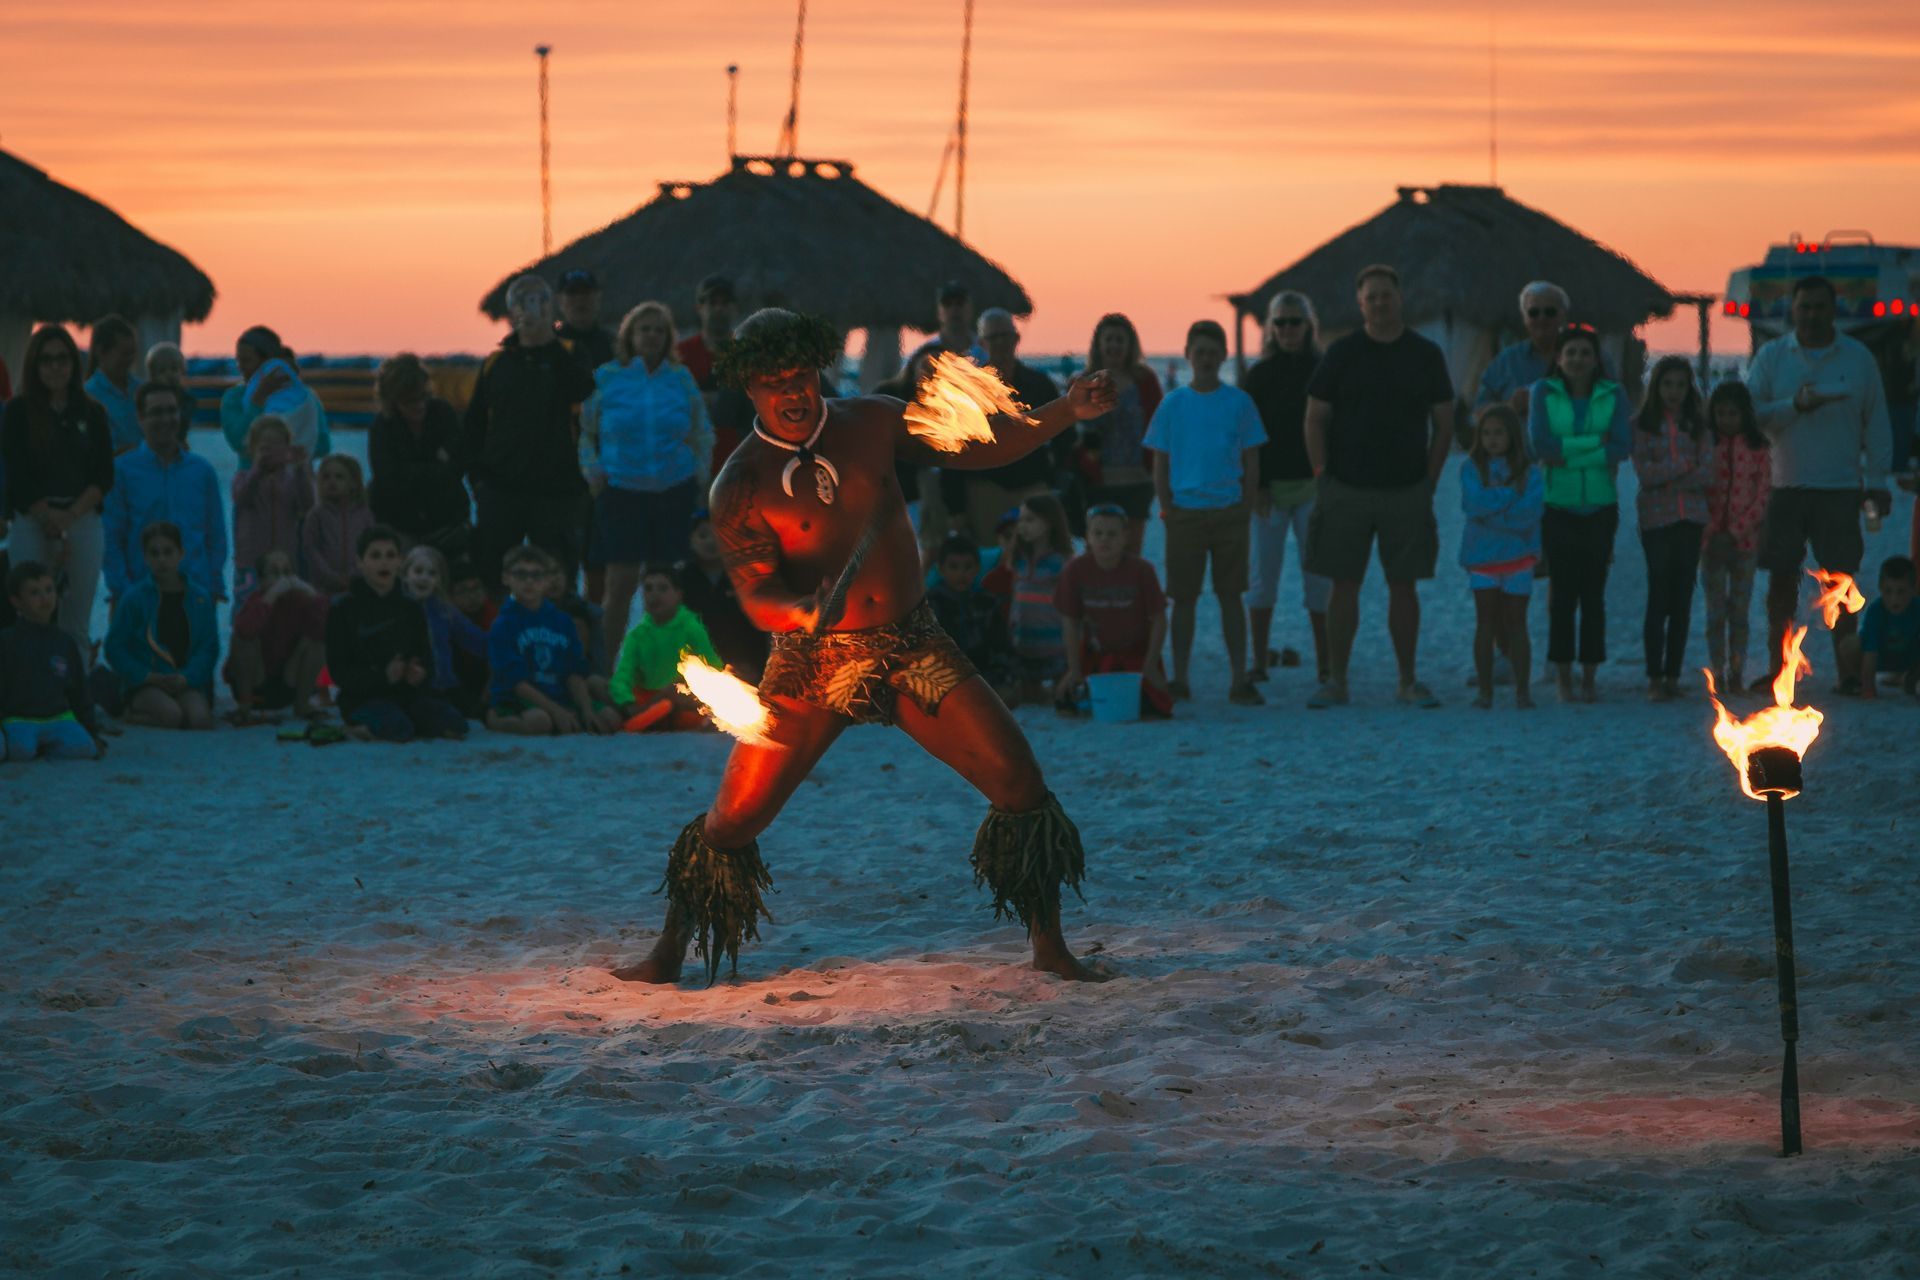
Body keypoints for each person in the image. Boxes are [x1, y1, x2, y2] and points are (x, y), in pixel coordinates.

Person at [611, 308, 1117, 987]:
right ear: (749, 388)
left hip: (913, 647)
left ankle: (1050, 947)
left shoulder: (875, 421)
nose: (791, 393)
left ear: (819, 370)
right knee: (733, 820)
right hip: (810, 663)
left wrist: (1062, 411)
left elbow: (978, 445)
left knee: (1019, 780)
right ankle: (668, 950)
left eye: (800, 377)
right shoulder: (739, 482)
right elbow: (755, 592)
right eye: (771, 382)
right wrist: (798, 609)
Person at [1303, 264, 1456, 709]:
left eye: (1386, 295)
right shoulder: (1343, 353)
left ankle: (1408, 680)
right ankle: (1337, 682)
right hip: (1345, 487)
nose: (1379, 303)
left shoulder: (1425, 355)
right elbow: (1314, 418)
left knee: (1403, 586)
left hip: (1407, 488)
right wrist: (1320, 475)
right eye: (1371, 297)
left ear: (1399, 296)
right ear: (1360, 302)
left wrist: (1430, 478)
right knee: (1343, 585)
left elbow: (1444, 423)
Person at [1747, 275, 1894, 690]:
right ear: (1792, 310)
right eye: (1804, 307)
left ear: (1835, 310)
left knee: (1842, 583)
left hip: (1840, 487)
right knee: (1780, 583)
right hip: (1783, 486)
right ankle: (1779, 670)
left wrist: (1879, 481)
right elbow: (1751, 413)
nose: (1812, 315)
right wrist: (1794, 405)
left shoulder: (1858, 358)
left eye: (1819, 307)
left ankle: (1848, 670)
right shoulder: (1773, 357)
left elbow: (1877, 424)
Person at [580, 301, 712, 655]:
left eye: (658, 329)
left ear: (668, 337)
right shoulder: (609, 377)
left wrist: (700, 479)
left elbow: (701, 432)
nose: (651, 335)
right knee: (620, 586)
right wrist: (593, 472)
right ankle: (607, 672)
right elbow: (585, 431)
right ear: (630, 335)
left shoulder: (680, 379)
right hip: (623, 492)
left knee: (667, 589)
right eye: (644, 329)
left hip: (674, 491)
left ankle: (666, 674)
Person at [1147, 319, 1266, 705]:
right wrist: (1167, 506)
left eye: (1214, 353)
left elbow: (1252, 460)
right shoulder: (1173, 404)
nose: (1207, 359)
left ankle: (1238, 679)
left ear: (1223, 356)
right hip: (1185, 514)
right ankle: (1180, 677)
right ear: (1188, 355)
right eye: (1200, 352)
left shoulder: (1239, 403)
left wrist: (1245, 505)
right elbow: (1160, 462)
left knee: (1232, 597)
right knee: (1184, 599)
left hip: (1229, 511)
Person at [464, 275, 597, 594]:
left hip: (556, 491)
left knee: (558, 578)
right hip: (501, 488)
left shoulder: (570, 354)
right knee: (493, 576)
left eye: (538, 301)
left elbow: (583, 391)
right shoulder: (497, 364)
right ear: (512, 312)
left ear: (551, 308)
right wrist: (478, 480)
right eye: (523, 302)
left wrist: (548, 345)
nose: (531, 309)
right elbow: (473, 426)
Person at [1527, 324, 1631, 703]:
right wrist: (1592, 444)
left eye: (1584, 353)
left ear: (1595, 359)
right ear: (1559, 358)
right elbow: (1540, 446)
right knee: (1562, 597)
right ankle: (1563, 677)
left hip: (1600, 507)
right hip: (1557, 507)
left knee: (1593, 597)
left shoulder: (1613, 394)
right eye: (1570, 352)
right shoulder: (1544, 392)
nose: (1577, 359)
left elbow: (1621, 446)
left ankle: (1589, 676)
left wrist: (1568, 450)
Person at [1, 325, 114, 657]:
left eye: (62, 359)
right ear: (34, 366)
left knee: (74, 619)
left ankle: (74, 697)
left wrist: (70, 516)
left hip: (82, 518)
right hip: (32, 519)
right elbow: (16, 474)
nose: (55, 367)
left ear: (74, 363)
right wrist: (48, 517)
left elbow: (104, 476)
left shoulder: (93, 413)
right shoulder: (17, 413)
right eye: (46, 360)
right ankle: (33, 696)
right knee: (32, 615)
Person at [1241, 291, 1330, 684]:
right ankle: (1259, 661)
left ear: (1308, 326)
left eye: (1295, 322)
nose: (1288, 329)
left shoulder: (1324, 368)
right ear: (1271, 329)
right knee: (1263, 579)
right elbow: (1247, 436)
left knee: (1318, 578)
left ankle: (1327, 662)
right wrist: (1255, 485)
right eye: (1281, 323)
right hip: (1270, 489)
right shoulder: (1258, 375)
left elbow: (1335, 427)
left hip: (1313, 486)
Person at [322, 525, 466, 742]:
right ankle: (356, 727)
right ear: (360, 562)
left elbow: (426, 657)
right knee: (397, 729)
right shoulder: (342, 609)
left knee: (455, 725)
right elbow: (339, 672)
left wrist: (417, 673)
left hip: (406, 694)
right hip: (363, 697)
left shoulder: (411, 607)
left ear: (400, 561)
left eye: (390, 555)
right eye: (375, 556)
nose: (384, 562)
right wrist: (382, 677)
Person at [936, 309, 1064, 546]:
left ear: (1016, 339)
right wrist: (956, 510)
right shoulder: (966, 389)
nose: (1002, 343)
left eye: (1006, 336)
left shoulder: (1039, 384)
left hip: (1033, 486)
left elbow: (1062, 437)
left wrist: (1057, 484)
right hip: (984, 490)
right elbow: (951, 450)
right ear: (983, 343)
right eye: (995, 338)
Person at [1631, 357, 1714, 701]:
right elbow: (1645, 474)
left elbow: (1707, 472)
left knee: (1682, 598)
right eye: (1668, 385)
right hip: (1656, 520)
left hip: (1691, 518)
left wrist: (1671, 473)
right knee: (1658, 596)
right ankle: (1653, 676)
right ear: (1656, 386)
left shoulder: (1698, 424)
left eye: (1680, 385)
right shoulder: (1642, 424)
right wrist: (1682, 466)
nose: (1674, 392)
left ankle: (1672, 675)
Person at [102, 383, 226, 605]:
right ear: (140, 418)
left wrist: (212, 585)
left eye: (172, 410)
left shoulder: (202, 471)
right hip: (140, 594)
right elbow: (111, 537)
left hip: (195, 592)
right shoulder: (121, 471)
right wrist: (124, 590)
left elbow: (215, 535)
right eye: (157, 412)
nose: (166, 419)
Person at [484, 545, 620, 736]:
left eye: (536, 575)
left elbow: (574, 671)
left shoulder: (562, 621)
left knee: (609, 718)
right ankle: (496, 720)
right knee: (540, 722)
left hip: (558, 693)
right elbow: (515, 682)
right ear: (506, 578)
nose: (529, 582)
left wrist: (587, 709)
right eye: (521, 575)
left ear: (547, 580)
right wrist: (555, 711)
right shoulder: (504, 623)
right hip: (518, 697)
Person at [1459, 406, 1543, 709]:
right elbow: (1474, 504)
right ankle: (1485, 691)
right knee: (1486, 622)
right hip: (1483, 559)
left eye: (1499, 432)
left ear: (1513, 435)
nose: (1492, 439)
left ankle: (1523, 691)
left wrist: (1495, 512)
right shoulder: (1471, 468)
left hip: (1519, 558)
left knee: (1516, 623)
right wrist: (1508, 499)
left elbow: (1529, 512)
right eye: (1486, 433)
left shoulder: (1530, 472)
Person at [1054, 503, 1172, 718]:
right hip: (1096, 653)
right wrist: (1074, 668)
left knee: (1154, 708)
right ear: (1087, 536)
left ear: (1125, 537)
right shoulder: (1075, 570)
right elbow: (1070, 621)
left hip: (1136, 652)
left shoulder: (1142, 570)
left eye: (1112, 533)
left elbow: (1159, 619)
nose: (1104, 539)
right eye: (1097, 533)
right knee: (1067, 704)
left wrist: (1151, 663)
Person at [105, 520, 218, 729]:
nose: (161, 560)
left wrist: (187, 677)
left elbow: (208, 647)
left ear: (181, 553)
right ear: (145, 557)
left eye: (168, 552)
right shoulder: (134, 598)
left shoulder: (199, 598)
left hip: (183, 680)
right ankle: (130, 710)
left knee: (200, 720)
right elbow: (114, 646)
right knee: (171, 717)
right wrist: (144, 676)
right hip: (147, 681)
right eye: (154, 553)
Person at [1701, 382, 1772, 694]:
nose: (1726, 419)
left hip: (1744, 544)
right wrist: (1712, 531)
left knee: (1739, 612)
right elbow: (1700, 494)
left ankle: (1737, 671)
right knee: (1715, 612)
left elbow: (1763, 496)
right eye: (1720, 413)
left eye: (1733, 413)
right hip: (1711, 544)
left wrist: (1736, 531)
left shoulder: (1758, 449)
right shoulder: (1707, 448)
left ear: (1745, 415)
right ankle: (1717, 670)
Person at [367, 354, 471, 556]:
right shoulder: (383, 427)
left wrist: (410, 470)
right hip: (400, 522)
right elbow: (386, 477)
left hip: (446, 521)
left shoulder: (443, 414)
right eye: (410, 400)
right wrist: (436, 466)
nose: (419, 405)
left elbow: (459, 464)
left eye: (423, 397)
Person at [1077, 313, 1163, 550]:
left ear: (1129, 345)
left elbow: (1159, 427)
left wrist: (1157, 470)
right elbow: (1073, 432)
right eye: (1109, 339)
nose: (1114, 346)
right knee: (1098, 553)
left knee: (1132, 551)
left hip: (1137, 479)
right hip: (1098, 482)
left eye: (1120, 340)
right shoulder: (1083, 382)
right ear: (1099, 344)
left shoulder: (1144, 380)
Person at [1, 561, 101, 761]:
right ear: (16, 601)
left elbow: (79, 691)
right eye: (34, 593)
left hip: (57, 717)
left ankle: (46, 747)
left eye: (49, 590)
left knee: (85, 748)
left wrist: (91, 729)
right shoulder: (7, 641)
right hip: (19, 717)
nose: (44, 598)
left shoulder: (64, 642)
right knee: (21, 750)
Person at [608, 563, 722, 732]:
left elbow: (713, 667)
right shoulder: (638, 634)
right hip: (647, 699)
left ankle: (640, 720)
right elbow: (624, 674)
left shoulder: (691, 629)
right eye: (648, 588)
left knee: (675, 692)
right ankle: (640, 717)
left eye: (662, 588)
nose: (654, 595)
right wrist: (626, 702)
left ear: (678, 594)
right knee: (601, 686)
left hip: (682, 699)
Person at [1473, 281, 1609, 419]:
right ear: (1524, 318)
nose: (1541, 318)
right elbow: (1477, 414)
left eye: (1549, 312)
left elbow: (1616, 405)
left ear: (1563, 316)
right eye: (1533, 313)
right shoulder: (1507, 361)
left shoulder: (1591, 356)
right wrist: (1510, 407)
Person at [226, 549, 328, 722]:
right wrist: (270, 597)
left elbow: (327, 628)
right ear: (262, 580)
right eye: (274, 573)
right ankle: (244, 708)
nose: (282, 579)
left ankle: (302, 705)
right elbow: (244, 631)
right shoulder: (256, 601)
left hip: (289, 683)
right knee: (242, 639)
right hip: (256, 685)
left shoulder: (301, 601)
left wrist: (311, 593)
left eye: (287, 572)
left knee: (317, 642)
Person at [230, 415, 314, 605]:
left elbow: (307, 505)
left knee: (285, 611)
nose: (271, 455)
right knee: (248, 607)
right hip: (251, 561)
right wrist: (258, 470)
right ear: (252, 450)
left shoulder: (292, 479)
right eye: (264, 449)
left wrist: (301, 468)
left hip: (284, 561)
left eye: (277, 448)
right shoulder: (242, 478)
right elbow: (241, 498)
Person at [678, 509, 769, 681]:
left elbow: (758, 628)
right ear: (691, 540)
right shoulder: (681, 580)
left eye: (717, 535)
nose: (711, 542)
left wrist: (755, 667)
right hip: (694, 670)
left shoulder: (745, 575)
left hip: (746, 669)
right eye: (703, 536)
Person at [675, 273, 754, 471]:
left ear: (735, 308)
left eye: (725, 303)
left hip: (740, 462)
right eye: (712, 303)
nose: (719, 309)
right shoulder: (679, 355)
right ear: (699, 308)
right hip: (690, 465)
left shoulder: (749, 354)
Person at [219, 327, 331, 463]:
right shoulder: (234, 397)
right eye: (238, 360)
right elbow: (239, 442)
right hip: (254, 480)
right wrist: (258, 398)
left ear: (268, 361)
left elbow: (323, 446)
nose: (240, 367)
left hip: (296, 480)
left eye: (247, 360)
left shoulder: (305, 397)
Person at [402, 543, 487, 718]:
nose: (424, 578)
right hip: (411, 687)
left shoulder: (444, 611)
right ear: (405, 575)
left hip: (446, 684)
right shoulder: (398, 609)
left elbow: (475, 638)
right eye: (418, 571)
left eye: (432, 573)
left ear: (440, 579)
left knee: (478, 713)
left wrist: (504, 642)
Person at [925, 533, 1014, 700]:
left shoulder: (987, 602)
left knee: (1008, 696)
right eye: (954, 567)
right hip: (944, 677)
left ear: (977, 568)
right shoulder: (931, 604)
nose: (961, 574)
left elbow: (1001, 645)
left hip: (983, 675)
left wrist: (1000, 675)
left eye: (968, 567)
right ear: (941, 569)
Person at [1007, 493, 1076, 707]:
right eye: (1021, 520)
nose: (1023, 526)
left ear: (1049, 523)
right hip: (1024, 638)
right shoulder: (1019, 558)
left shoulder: (1061, 560)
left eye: (1030, 520)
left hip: (1054, 640)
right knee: (1029, 695)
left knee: (1062, 694)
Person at [1839, 555, 1919, 698]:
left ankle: (1906, 678)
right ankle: (1859, 679)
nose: (1895, 599)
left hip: (1910, 659)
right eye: (1888, 592)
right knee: (1849, 645)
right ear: (1880, 588)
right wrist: (1869, 687)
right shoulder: (1876, 611)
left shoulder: (1917, 608)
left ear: (1913, 590)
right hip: (1880, 659)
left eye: (1901, 592)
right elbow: (1870, 652)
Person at [300, 454, 373, 597]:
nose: (332, 481)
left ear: (353, 482)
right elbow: (311, 549)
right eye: (326, 477)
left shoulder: (364, 514)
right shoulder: (316, 515)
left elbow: (370, 548)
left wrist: (355, 574)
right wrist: (329, 575)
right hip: (324, 587)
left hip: (358, 585)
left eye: (339, 477)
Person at [84, 315, 144, 454]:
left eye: (132, 353)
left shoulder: (141, 389)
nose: (130, 360)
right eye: (124, 354)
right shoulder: (89, 395)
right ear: (101, 351)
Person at [143, 342, 196, 431]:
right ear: (153, 375)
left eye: (174, 369)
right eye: (162, 371)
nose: (169, 375)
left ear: (182, 370)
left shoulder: (187, 398)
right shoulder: (148, 398)